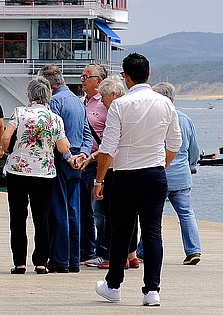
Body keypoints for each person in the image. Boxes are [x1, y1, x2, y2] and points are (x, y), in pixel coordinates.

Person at [93, 53, 182, 306]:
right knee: (153, 232)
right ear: (149, 74)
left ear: (126, 77)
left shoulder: (120, 105)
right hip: (154, 174)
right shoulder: (165, 103)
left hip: (125, 175)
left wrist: (99, 181)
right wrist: (160, 165)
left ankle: (113, 286)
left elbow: (108, 148)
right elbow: (175, 143)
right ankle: (152, 290)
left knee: (120, 233)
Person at [0, 78, 71, 275]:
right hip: (44, 172)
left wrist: (7, 151)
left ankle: (20, 263)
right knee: (42, 218)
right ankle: (40, 262)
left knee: (18, 217)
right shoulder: (54, 119)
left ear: (29, 95)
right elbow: (63, 148)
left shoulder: (19, 113)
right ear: (48, 95)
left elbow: (5, 137)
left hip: (18, 170)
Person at [38, 65, 92, 273]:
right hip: (77, 158)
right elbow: (87, 132)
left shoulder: (55, 102)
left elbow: (55, 133)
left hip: (62, 158)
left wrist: (69, 156)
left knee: (58, 209)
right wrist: (83, 155)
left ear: (48, 84)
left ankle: (60, 258)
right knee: (74, 209)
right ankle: (73, 258)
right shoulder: (78, 102)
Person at [83, 76, 139, 270]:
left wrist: (99, 178)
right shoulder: (132, 110)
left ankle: (119, 256)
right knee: (131, 216)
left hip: (115, 169)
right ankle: (132, 255)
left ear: (114, 94)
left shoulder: (117, 111)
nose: (103, 101)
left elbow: (109, 147)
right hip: (133, 167)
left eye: (104, 97)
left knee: (113, 215)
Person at [143, 82, 202, 266]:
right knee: (186, 213)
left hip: (159, 174)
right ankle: (193, 250)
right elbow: (194, 149)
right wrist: (190, 164)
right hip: (182, 175)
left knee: (152, 215)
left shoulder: (153, 119)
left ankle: (144, 249)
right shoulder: (185, 119)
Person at [80, 64, 108, 266]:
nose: (82, 79)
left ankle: (103, 251)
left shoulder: (105, 103)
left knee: (99, 210)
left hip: (98, 162)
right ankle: (87, 250)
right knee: (83, 210)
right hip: (82, 162)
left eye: (86, 76)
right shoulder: (81, 102)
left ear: (99, 80)